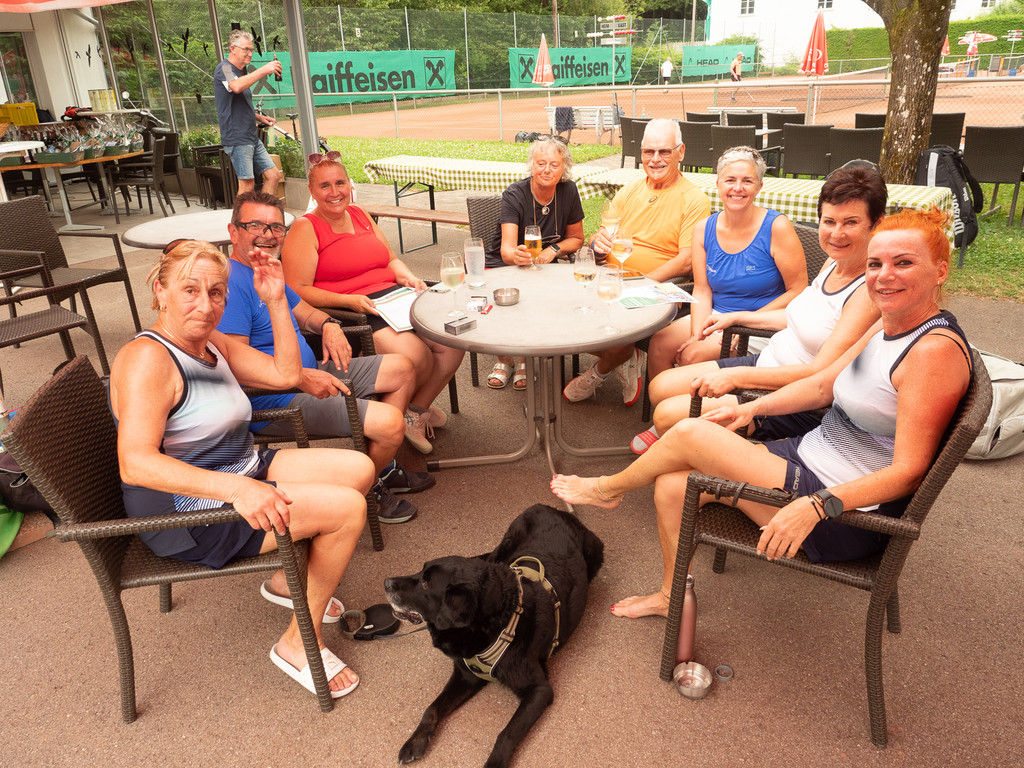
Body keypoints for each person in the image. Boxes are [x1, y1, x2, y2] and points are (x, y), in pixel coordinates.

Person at [551, 207, 971, 620]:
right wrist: (754, 407)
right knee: (672, 485)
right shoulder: (888, 324)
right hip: (808, 460)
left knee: (691, 433)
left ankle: (608, 489)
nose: (884, 275)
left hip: (845, 511)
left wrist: (818, 505)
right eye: (875, 264)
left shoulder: (932, 352)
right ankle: (669, 596)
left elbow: (909, 472)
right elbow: (822, 386)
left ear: (940, 271)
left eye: (903, 263)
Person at [110, 239, 373, 698]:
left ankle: (286, 581)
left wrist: (276, 301)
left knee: (358, 469)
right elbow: (135, 463)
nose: (205, 305)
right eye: (190, 290)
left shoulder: (210, 342)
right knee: (348, 510)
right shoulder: (148, 359)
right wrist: (238, 491)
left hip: (240, 469)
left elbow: (285, 374)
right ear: (160, 292)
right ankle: (298, 642)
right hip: (189, 512)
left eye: (216, 293)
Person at [632, 162, 887, 455]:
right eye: (829, 221)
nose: (836, 234)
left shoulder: (868, 291)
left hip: (788, 396)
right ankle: (687, 441)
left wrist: (736, 377)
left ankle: (693, 449)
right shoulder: (833, 262)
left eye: (851, 223)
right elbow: (798, 315)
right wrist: (738, 317)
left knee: (666, 414)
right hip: (767, 361)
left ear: (876, 224)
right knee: (660, 387)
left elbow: (819, 373)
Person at [217, 190, 434, 524]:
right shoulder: (232, 283)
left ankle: (378, 470)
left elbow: (306, 313)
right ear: (234, 232)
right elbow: (234, 362)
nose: (268, 235)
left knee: (402, 368)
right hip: (276, 398)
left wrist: (329, 324)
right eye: (256, 225)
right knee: (391, 423)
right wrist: (300, 377)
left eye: (276, 227)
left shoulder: (265, 270)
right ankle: (367, 488)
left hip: (311, 373)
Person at [281, 152, 465, 455]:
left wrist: (409, 277)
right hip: (352, 309)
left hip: (395, 297)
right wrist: (349, 301)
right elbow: (296, 289)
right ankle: (392, 418)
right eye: (325, 186)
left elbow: (390, 259)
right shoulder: (306, 227)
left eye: (340, 183)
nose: (334, 192)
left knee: (452, 340)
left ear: (350, 184)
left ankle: (414, 411)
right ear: (312, 191)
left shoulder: (359, 214)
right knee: (416, 355)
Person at [562, 118, 711, 406]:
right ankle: (627, 356)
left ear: (681, 152)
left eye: (664, 151)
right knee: (565, 312)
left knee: (615, 322)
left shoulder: (694, 199)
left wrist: (642, 284)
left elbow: (685, 262)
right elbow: (602, 235)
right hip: (614, 278)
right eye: (648, 152)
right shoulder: (629, 191)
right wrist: (597, 245)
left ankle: (599, 371)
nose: (655, 159)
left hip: (661, 287)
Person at [644, 146, 807, 392]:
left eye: (747, 181)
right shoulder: (703, 229)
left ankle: (690, 413)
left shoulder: (777, 227)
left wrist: (746, 322)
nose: (737, 188)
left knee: (692, 356)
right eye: (730, 180)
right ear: (718, 184)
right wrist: (698, 333)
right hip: (715, 314)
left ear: (759, 187)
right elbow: (702, 289)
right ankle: (664, 409)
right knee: (659, 344)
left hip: (760, 321)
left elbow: (798, 290)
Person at [485, 136, 585, 390]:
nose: (547, 170)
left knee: (545, 295)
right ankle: (504, 358)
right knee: (509, 295)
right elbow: (506, 249)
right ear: (532, 165)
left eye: (554, 164)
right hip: (505, 264)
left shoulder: (568, 191)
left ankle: (524, 358)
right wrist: (517, 256)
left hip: (544, 263)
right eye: (541, 163)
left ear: (564, 167)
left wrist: (554, 249)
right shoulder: (515, 194)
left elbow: (577, 239)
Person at [214, 29, 283, 197]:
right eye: (246, 49)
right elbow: (236, 86)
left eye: (251, 50)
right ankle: (241, 215)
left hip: (250, 135)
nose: (250, 53)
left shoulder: (241, 71)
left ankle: (264, 211)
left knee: (273, 176)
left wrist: (258, 117)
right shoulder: (225, 68)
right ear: (233, 49)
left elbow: (238, 105)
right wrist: (264, 69)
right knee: (247, 185)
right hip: (237, 137)